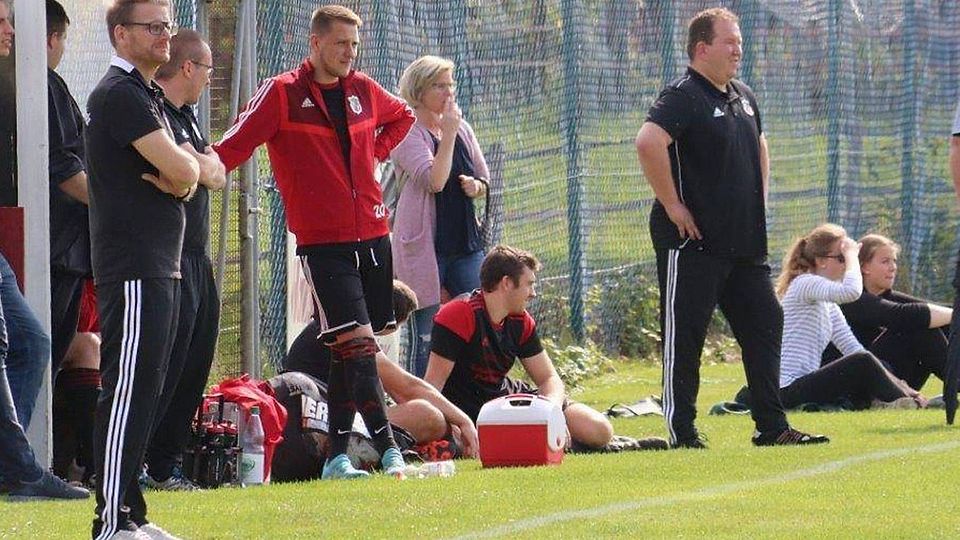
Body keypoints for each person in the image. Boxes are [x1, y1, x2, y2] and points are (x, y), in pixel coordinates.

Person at [213, 5, 415, 480]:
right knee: (360, 345)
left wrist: (372, 154)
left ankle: (336, 459)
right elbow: (235, 143)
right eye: (342, 43)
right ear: (316, 43)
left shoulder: (364, 90)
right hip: (324, 245)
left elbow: (402, 116)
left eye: (355, 45)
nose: (350, 53)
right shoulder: (283, 93)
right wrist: (200, 167)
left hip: (374, 237)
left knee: (350, 348)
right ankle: (389, 450)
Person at [634, 7, 827, 448]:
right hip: (694, 244)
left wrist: (757, 197)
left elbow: (760, 144)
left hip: (743, 246)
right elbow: (649, 141)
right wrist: (672, 204)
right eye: (729, 42)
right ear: (702, 48)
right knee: (686, 338)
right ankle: (682, 431)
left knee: (766, 321)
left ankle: (771, 426)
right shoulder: (685, 95)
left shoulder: (742, 95)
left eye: (739, 41)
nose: (738, 49)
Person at [86, 1, 205, 537]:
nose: (164, 36)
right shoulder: (119, 94)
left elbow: (193, 173)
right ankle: (110, 520)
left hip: (162, 266)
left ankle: (132, 513)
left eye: (168, 26)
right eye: (153, 27)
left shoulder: (151, 95)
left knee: (149, 389)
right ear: (120, 34)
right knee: (128, 390)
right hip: (133, 266)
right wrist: (183, 176)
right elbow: (185, 168)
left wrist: (183, 177)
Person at [273, 280, 479, 481]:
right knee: (428, 415)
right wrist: (463, 420)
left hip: (319, 416)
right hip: (318, 418)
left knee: (433, 419)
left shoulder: (339, 321)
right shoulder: (351, 328)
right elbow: (406, 388)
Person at [424, 245, 620, 450]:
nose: (533, 293)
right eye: (529, 285)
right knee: (458, 445)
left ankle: (561, 445)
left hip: (505, 405)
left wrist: (550, 414)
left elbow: (549, 379)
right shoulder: (459, 314)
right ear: (507, 283)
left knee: (599, 429)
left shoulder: (521, 321)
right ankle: (551, 445)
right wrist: (456, 422)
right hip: (462, 412)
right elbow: (432, 386)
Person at [141, 28, 224, 493]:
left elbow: (215, 171)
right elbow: (182, 175)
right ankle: (134, 461)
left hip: (198, 257)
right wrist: (195, 167)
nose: (211, 80)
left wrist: (199, 164)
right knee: (161, 364)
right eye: (208, 69)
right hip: (166, 258)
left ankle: (166, 464)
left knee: (195, 362)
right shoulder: (153, 110)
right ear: (188, 67)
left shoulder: (188, 118)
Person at [391, 55, 490, 377]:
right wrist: (446, 135)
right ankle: (426, 410)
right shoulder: (407, 132)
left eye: (451, 84)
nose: (449, 92)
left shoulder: (462, 128)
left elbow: (482, 175)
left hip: (464, 241)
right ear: (419, 90)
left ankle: (472, 394)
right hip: (424, 248)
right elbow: (434, 181)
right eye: (439, 85)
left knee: (479, 315)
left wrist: (476, 186)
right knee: (428, 334)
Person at [776, 224, 925, 410]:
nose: (846, 264)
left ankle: (910, 399)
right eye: (841, 258)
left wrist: (903, 386)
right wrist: (853, 256)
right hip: (785, 390)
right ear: (821, 261)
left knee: (863, 358)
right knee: (862, 361)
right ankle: (910, 404)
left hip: (803, 385)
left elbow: (852, 348)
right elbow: (851, 292)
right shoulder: (804, 283)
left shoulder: (828, 304)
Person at [822, 234, 952, 390]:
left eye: (894, 261)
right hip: (850, 383)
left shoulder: (888, 296)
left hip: (889, 379)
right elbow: (899, 315)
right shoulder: (851, 299)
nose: (893, 267)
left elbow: (933, 309)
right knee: (919, 326)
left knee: (942, 321)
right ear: (864, 267)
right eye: (885, 261)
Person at [46, 0, 92, 382]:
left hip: (64, 251)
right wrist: (118, 206)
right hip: (57, 251)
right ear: (52, 38)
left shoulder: (49, 85)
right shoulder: (43, 84)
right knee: (42, 350)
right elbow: (64, 168)